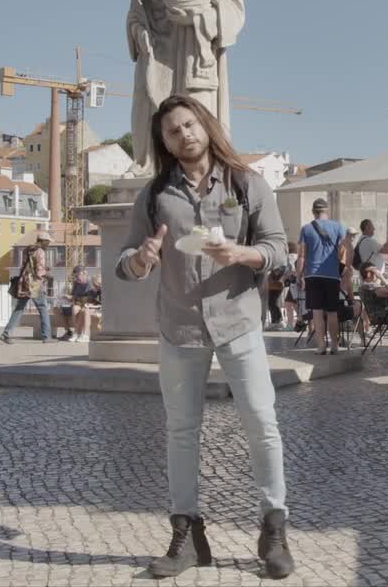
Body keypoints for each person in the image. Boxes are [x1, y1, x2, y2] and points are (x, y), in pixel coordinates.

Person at [115, 94, 294, 580]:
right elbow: (127, 260)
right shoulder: (154, 196)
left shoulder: (247, 183)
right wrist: (139, 260)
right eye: (173, 131)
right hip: (179, 325)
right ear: (165, 143)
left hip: (238, 322)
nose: (184, 135)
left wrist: (242, 254)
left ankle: (274, 529)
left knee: (262, 421)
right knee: (180, 431)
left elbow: (279, 250)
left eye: (189, 125)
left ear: (205, 126)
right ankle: (187, 536)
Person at [126, 0, 245, 168]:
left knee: (195, 118)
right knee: (152, 112)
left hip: (194, 49)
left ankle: (201, 171)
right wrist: (138, 33)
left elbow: (233, 5)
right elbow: (134, 14)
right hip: (156, 52)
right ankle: (152, 165)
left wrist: (197, 16)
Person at [295, 198, 348, 356]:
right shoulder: (338, 227)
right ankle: (335, 346)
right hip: (332, 275)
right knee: (332, 312)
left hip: (313, 275)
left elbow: (302, 256)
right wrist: (344, 268)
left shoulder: (306, 229)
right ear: (327, 211)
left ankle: (321, 346)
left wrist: (299, 275)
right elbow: (344, 250)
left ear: (313, 211)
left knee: (317, 312)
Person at [0, 232, 53, 344]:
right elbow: (39, 269)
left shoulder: (27, 249)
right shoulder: (40, 252)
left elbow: (28, 265)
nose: (48, 244)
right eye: (47, 242)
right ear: (43, 241)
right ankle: (46, 336)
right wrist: (46, 275)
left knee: (19, 308)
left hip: (24, 282)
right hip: (35, 284)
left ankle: (6, 334)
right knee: (43, 308)